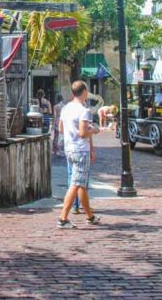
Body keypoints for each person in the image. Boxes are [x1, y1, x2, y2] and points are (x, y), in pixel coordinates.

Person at [58, 80, 101, 228]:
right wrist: (94, 130)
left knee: (81, 183)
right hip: (80, 150)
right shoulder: (84, 110)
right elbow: (83, 133)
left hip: (69, 148)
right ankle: (63, 218)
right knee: (76, 183)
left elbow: (61, 129)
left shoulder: (66, 108)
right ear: (83, 92)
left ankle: (90, 216)